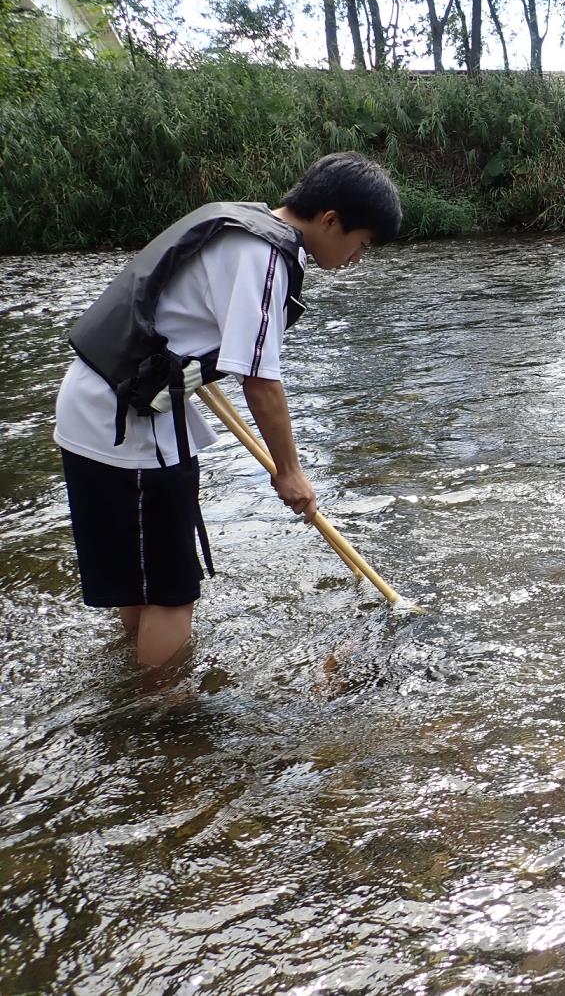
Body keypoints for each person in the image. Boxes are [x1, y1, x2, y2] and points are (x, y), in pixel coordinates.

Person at [54, 151, 402, 669]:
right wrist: (290, 472)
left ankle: (129, 697)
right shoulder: (264, 255)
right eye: (362, 243)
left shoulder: (242, 221)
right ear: (330, 221)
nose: (358, 257)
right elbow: (259, 378)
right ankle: (165, 719)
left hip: (90, 407)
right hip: (131, 429)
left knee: (141, 580)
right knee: (172, 593)